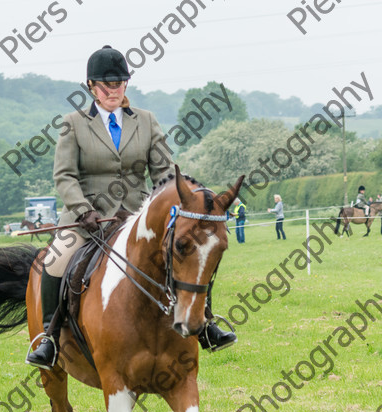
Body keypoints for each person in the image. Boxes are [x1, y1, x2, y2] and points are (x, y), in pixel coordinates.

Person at [26, 45, 236, 369]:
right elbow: (64, 176)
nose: (113, 90)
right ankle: (50, 339)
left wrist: (173, 194)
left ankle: (205, 324)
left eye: (119, 83)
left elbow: (165, 172)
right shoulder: (74, 123)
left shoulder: (146, 121)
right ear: (92, 87)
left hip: (137, 217)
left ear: (126, 84)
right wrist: (83, 210)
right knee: (55, 260)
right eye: (105, 85)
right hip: (89, 219)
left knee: (188, 255)